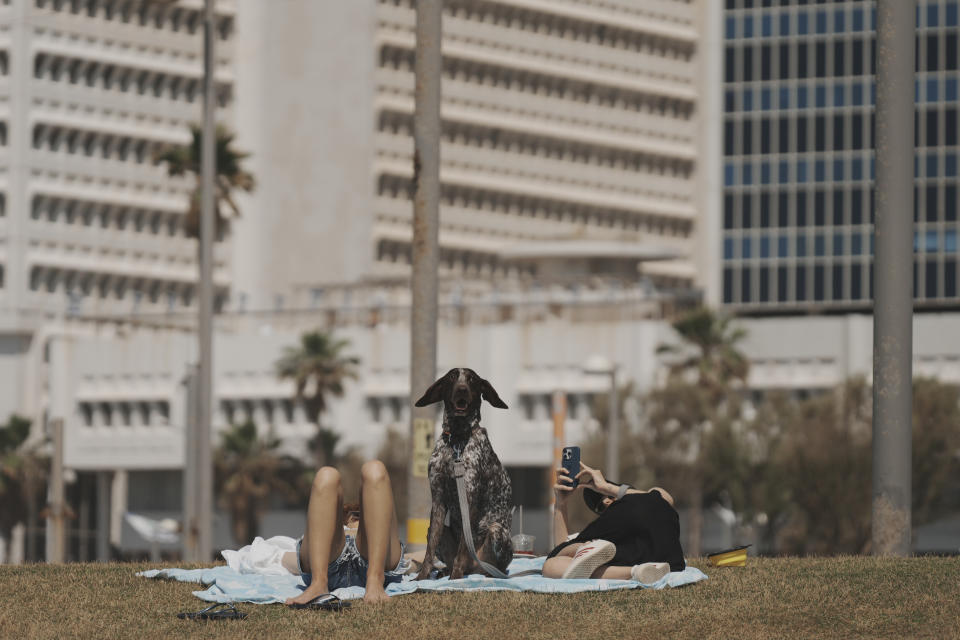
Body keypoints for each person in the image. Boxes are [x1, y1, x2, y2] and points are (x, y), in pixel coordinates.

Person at [281, 460, 410, 605]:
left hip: (376, 560)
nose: (356, 517)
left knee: (374, 469)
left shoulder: (373, 528)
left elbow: (417, 559)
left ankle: (375, 578)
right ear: (342, 518)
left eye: (359, 514)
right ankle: (318, 583)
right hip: (327, 563)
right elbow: (286, 560)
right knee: (326, 475)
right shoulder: (327, 531)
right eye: (351, 514)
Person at [542, 460, 685, 583]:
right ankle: (638, 572)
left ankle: (585, 547)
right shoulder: (612, 529)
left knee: (552, 563)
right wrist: (561, 503)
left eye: (610, 497)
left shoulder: (641, 501)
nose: (605, 501)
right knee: (554, 564)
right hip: (667, 561)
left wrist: (607, 487)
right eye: (600, 506)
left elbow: (664, 498)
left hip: (644, 531)